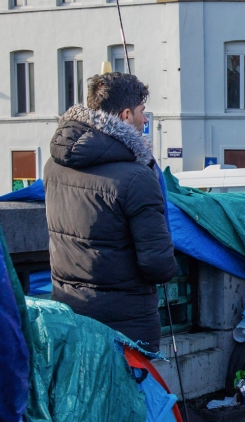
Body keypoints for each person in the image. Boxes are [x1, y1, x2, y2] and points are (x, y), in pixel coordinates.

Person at [43, 72, 176, 351]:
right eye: (142, 112)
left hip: (70, 316)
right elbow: (158, 265)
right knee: (130, 393)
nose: (145, 120)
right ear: (126, 115)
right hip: (126, 324)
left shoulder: (53, 167)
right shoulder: (137, 178)